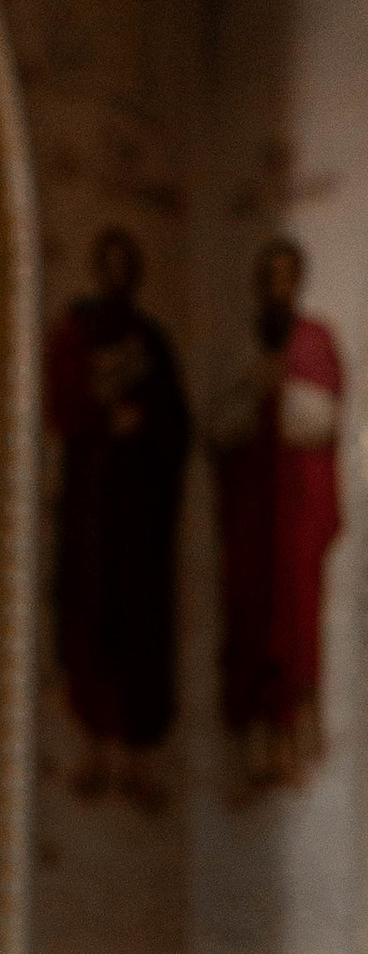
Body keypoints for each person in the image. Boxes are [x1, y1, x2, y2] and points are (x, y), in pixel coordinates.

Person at [42, 225, 193, 804]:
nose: (115, 276)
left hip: (141, 514)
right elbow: (62, 406)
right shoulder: (77, 329)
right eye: (106, 265)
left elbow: (176, 421)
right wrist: (102, 417)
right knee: (89, 611)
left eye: (123, 266)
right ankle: (94, 749)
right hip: (92, 503)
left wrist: (144, 424)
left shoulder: (151, 339)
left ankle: (137, 757)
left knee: (140, 626)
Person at [212, 233, 344, 793]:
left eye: (288, 275)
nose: (278, 286)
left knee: (293, 629)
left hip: (293, 512)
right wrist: (253, 391)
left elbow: (325, 417)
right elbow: (218, 420)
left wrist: (279, 392)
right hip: (249, 511)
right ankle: (249, 757)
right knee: (246, 624)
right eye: (270, 276)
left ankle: (293, 750)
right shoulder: (239, 343)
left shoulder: (314, 341)